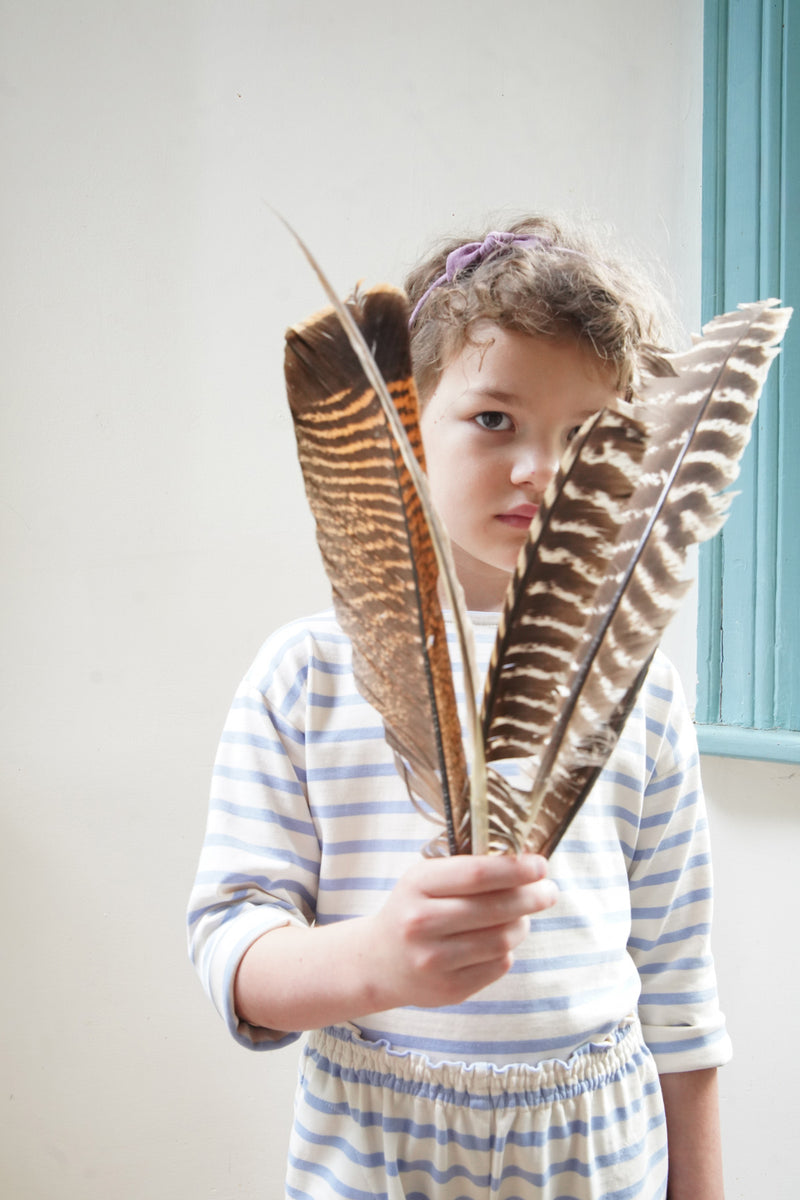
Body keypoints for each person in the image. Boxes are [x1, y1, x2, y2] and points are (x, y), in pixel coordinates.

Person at [188, 216, 730, 1200]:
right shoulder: (302, 677)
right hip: (381, 1157)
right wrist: (377, 961)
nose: (540, 470)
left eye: (587, 438)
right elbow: (233, 949)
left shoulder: (636, 683)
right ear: (404, 429)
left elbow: (680, 987)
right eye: (494, 420)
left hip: (595, 1158)